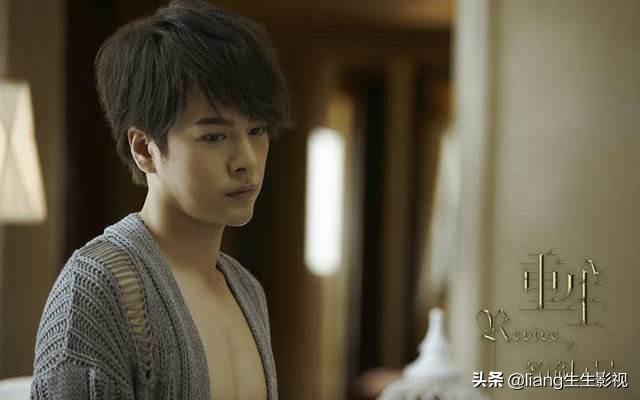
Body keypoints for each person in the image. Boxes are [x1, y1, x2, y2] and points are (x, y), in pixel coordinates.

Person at [30, 0, 291, 399]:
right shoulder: (96, 290)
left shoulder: (246, 289)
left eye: (257, 131)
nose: (247, 161)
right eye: (214, 136)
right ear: (144, 149)